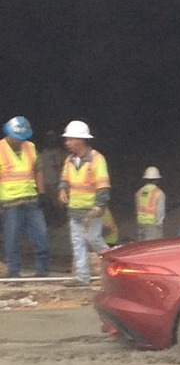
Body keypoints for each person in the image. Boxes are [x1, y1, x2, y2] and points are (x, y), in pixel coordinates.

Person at [58, 120, 111, 286]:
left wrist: (99, 205)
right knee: (78, 243)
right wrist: (62, 189)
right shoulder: (69, 160)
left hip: (90, 211)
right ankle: (82, 277)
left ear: (80, 140)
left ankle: (113, 269)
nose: (67, 143)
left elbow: (103, 185)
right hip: (75, 210)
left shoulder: (96, 159)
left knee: (95, 239)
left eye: (70, 139)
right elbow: (65, 178)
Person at [0, 116, 52, 278]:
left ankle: (43, 272)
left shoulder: (30, 147)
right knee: (12, 240)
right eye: (17, 138)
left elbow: (38, 169)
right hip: (10, 204)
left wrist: (42, 193)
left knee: (42, 236)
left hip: (32, 202)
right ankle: (14, 273)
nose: (20, 141)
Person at [39, 129, 67, 227]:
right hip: (46, 183)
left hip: (58, 183)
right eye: (48, 138)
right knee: (47, 206)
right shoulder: (42, 154)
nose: (51, 140)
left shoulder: (62, 153)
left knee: (60, 205)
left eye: (53, 138)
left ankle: (61, 222)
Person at [135, 166, 166, 240]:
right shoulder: (158, 192)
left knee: (142, 246)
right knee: (152, 247)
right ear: (157, 180)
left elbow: (137, 207)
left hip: (140, 222)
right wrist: (159, 224)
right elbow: (160, 210)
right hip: (153, 224)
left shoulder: (139, 192)